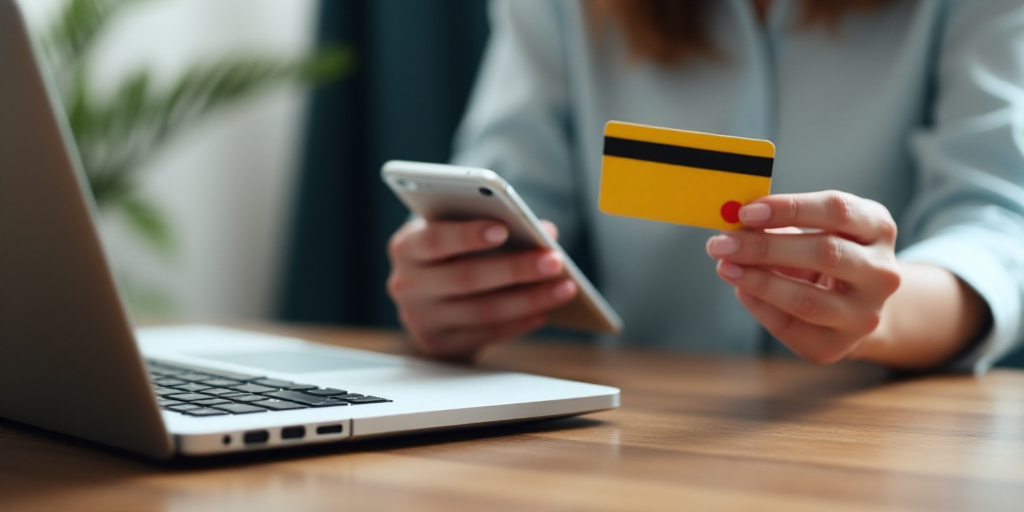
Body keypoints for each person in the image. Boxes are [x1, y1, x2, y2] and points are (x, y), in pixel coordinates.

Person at [385, 0, 1024, 373]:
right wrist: (448, 280)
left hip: (871, 432)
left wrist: (879, 314)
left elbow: (998, 226)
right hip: (641, 430)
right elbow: (507, 193)